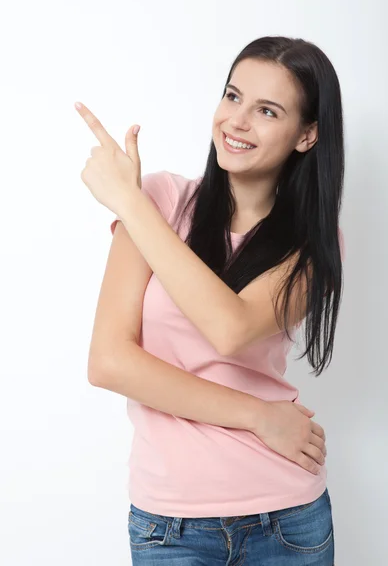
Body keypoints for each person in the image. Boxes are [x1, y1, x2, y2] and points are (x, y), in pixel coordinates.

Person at [91, 36, 345, 565]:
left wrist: (128, 205)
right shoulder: (161, 199)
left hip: (287, 520)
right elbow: (110, 362)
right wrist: (258, 416)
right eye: (233, 97)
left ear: (307, 135)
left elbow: (228, 327)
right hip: (172, 525)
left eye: (267, 110)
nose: (236, 121)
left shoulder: (314, 242)